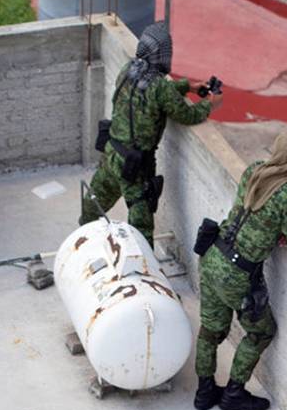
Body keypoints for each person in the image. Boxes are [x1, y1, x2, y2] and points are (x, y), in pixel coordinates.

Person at [194, 134, 287, 410]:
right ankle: (233, 393)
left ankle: (204, 392)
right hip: (237, 275)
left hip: (212, 256)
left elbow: (256, 214)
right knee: (262, 332)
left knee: (210, 330)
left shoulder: (253, 170)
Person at [79, 21, 222, 247]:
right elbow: (187, 115)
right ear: (160, 54)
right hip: (135, 167)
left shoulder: (128, 70)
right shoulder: (161, 87)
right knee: (141, 229)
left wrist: (187, 86)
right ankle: (143, 271)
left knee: (92, 207)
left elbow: (149, 90)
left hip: (112, 153)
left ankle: (83, 244)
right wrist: (211, 104)